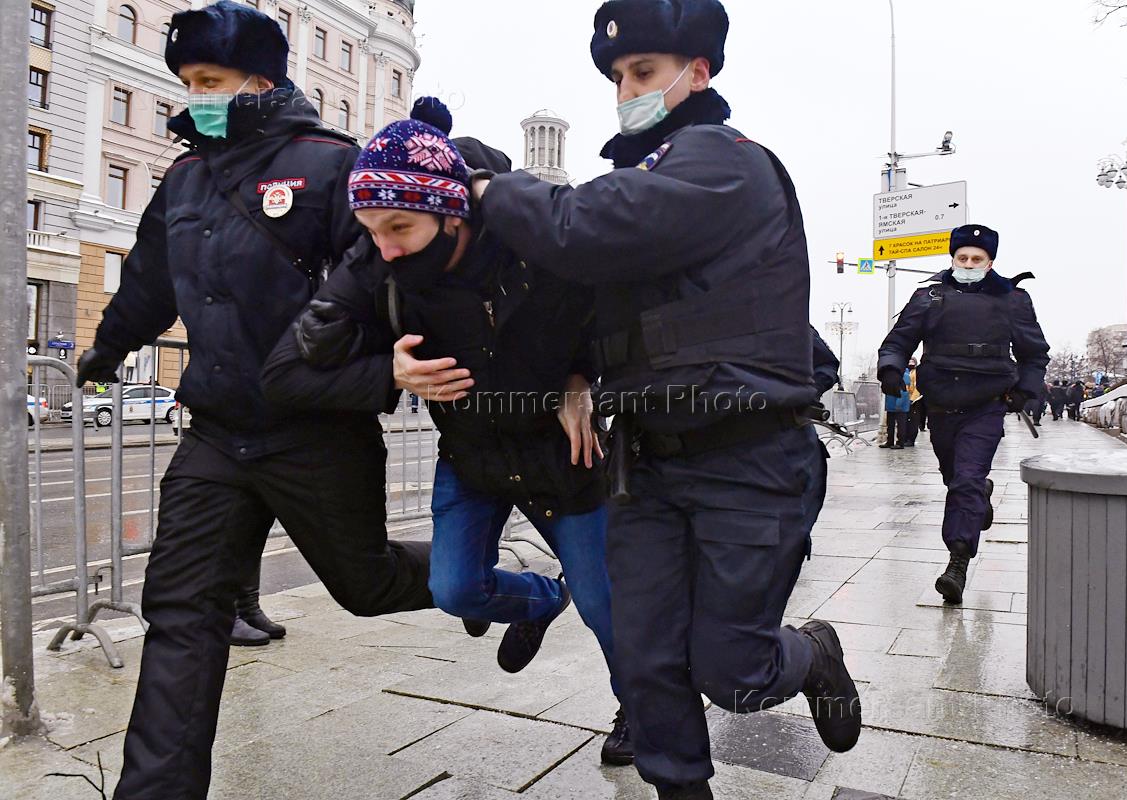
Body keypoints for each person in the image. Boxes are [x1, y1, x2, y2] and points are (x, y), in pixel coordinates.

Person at [469, 2, 861, 796]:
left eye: (643, 72)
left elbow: (582, 230)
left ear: (698, 72)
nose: (626, 91)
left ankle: (813, 652)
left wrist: (489, 188)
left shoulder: (723, 161)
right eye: (617, 77)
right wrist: (574, 373)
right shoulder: (641, 178)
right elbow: (588, 303)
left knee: (733, 670)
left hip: (749, 458)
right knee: (646, 661)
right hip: (646, 464)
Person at [72, 5, 435, 796]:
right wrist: (104, 349)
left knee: (367, 585)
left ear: (260, 81)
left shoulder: (330, 166)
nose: (196, 96)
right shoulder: (185, 178)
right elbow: (148, 282)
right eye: (188, 82)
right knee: (180, 615)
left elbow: (382, 282)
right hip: (216, 433)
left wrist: (381, 371)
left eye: (211, 80)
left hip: (314, 431)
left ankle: (491, 579)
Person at [260, 101, 634, 766]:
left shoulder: (534, 240)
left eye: (399, 227)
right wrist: (388, 372)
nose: (385, 247)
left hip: (560, 456)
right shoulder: (378, 263)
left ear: (452, 212)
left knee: (609, 607)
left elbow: (611, 317)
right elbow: (285, 369)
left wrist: (585, 380)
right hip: (472, 456)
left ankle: (638, 707)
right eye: (371, 229)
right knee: (454, 589)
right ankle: (543, 599)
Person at [878, 224, 1049, 605]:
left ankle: (957, 562)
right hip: (940, 405)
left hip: (986, 405)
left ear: (990, 263)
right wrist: (890, 368)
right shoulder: (929, 296)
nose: (969, 264)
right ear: (953, 259)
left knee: (966, 479)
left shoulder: (1012, 299)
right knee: (956, 479)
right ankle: (978, 499)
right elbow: (899, 340)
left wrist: (1026, 391)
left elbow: (1034, 353)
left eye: (977, 258)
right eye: (963, 257)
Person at [884, 366, 911, 449]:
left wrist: (898, 404)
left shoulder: (905, 375)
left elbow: (904, 391)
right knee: (890, 424)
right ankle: (889, 441)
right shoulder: (891, 374)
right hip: (891, 404)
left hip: (900, 406)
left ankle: (900, 443)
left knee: (900, 425)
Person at [904, 357, 925, 446]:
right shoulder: (907, 372)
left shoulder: (916, 373)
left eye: (912, 362)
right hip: (906, 399)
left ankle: (911, 439)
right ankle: (906, 438)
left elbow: (917, 387)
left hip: (915, 400)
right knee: (906, 420)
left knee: (913, 421)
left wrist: (913, 399)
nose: (910, 363)